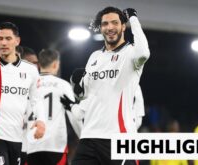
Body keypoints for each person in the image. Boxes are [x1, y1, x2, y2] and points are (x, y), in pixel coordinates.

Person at [61, 6, 150, 165]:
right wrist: (76, 84)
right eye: (105, 24)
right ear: (100, 27)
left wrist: (134, 19)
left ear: (123, 26)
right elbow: (83, 95)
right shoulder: (95, 57)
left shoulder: (131, 53)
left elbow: (144, 52)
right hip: (89, 137)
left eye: (115, 23)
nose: (110, 27)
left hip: (118, 137)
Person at [0, 22, 45, 165]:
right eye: (0, 39)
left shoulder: (30, 70)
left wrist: (41, 120)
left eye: (8, 38)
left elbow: (36, 99)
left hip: (18, 137)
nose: (4, 43)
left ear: (17, 41)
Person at [26, 49, 82, 165]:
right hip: (55, 145)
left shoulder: (29, 84)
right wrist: (83, 137)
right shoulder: (62, 85)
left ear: (39, 64)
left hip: (30, 145)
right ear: (56, 64)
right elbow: (73, 115)